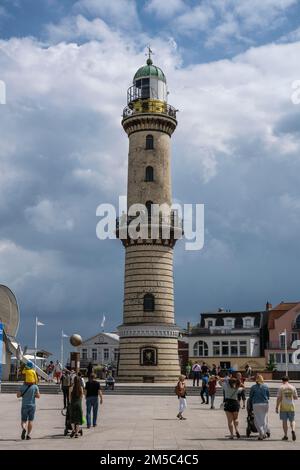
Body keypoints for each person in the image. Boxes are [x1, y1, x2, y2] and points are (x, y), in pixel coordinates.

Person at [276, 376, 298, 441]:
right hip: (291, 406)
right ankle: (293, 430)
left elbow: (279, 398)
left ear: (282, 381)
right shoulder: (293, 387)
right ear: (288, 380)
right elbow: (296, 397)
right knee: (292, 420)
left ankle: (285, 435)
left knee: (284, 421)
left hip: (283, 406)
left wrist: (277, 407)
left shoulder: (281, 387)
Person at [249, 374, 270, 440]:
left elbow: (250, 397)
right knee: (264, 418)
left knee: (257, 420)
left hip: (256, 404)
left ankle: (262, 433)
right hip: (265, 404)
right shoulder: (266, 386)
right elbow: (268, 396)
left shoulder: (253, 387)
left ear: (256, 381)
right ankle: (263, 433)